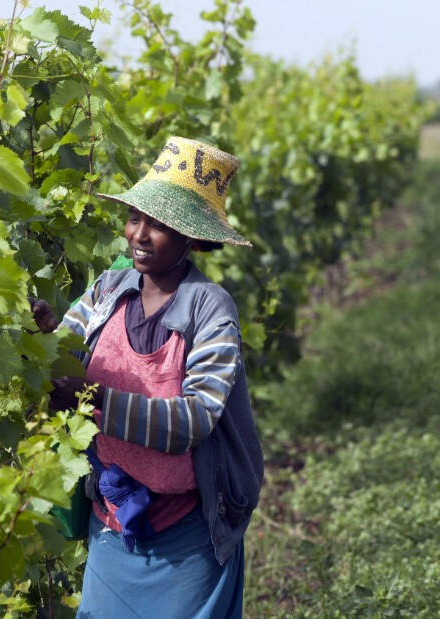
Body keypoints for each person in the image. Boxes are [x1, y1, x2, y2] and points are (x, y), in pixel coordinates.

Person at [43, 136, 263, 618]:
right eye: (136, 219)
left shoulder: (211, 310)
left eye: (159, 225)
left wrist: (94, 397)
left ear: (193, 239)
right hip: (113, 517)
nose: (139, 235)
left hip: (185, 533)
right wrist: (39, 333)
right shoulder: (108, 288)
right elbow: (62, 352)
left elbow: (194, 420)